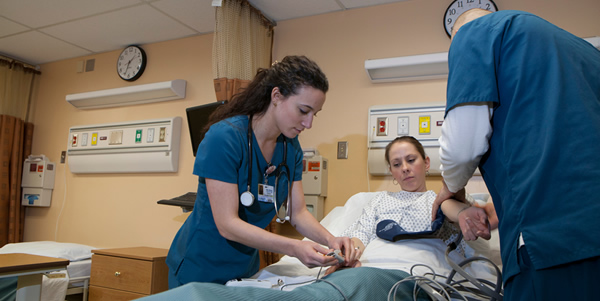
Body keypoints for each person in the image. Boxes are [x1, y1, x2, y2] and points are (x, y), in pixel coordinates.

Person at [431, 9, 600, 300]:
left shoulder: (472, 34)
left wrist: (449, 189)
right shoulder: (586, 52)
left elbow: (461, 148)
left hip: (552, 241)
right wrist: (503, 208)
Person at [166, 55, 359, 287]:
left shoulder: (290, 148)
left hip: (244, 269)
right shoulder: (224, 138)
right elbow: (227, 224)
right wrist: (294, 247)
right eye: (303, 111)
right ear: (276, 96)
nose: (309, 124)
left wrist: (331, 239)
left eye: (314, 114)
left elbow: (297, 214)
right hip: (199, 266)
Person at [326, 136, 492, 274]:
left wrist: (463, 212)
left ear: (426, 163)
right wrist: (346, 256)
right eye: (397, 164)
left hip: (410, 272)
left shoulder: (436, 200)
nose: (405, 168)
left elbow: (450, 209)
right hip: (369, 268)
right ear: (391, 171)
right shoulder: (379, 201)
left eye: (411, 160)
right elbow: (361, 234)